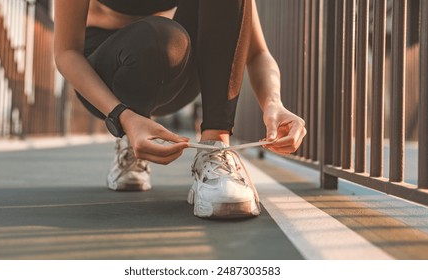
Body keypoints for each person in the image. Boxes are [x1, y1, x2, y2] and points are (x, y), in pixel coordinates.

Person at [54, 0, 306, 219]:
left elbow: (256, 51)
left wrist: (274, 103)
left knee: (166, 38)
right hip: (106, 80)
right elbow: (66, 52)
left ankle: (215, 148)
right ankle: (128, 138)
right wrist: (123, 115)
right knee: (155, 37)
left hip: (176, 67)